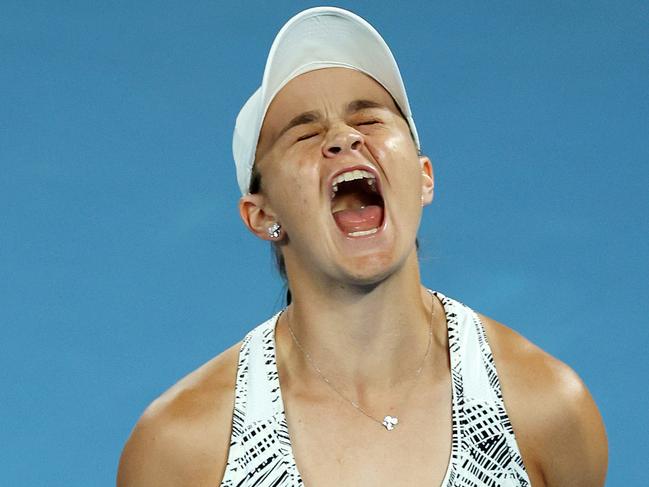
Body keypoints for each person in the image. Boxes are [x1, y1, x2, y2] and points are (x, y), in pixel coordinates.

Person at [117, 7, 607, 486]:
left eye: (369, 121)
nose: (343, 138)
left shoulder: (545, 409)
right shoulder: (183, 448)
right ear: (262, 215)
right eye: (305, 133)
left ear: (422, 178)